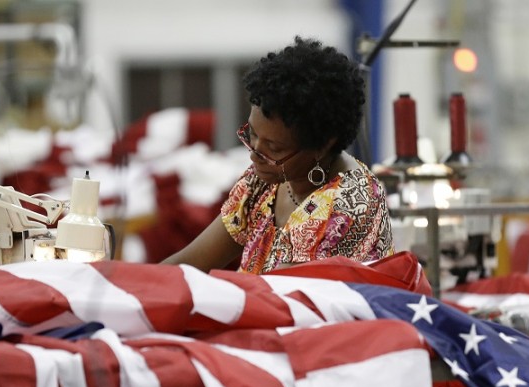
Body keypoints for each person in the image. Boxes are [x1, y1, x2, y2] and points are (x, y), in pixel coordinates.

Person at [162, 36, 394, 274]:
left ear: (322, 145)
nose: (254, 154)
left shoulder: (349, 205)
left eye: (274, 148)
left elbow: (279, 297)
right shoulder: (265, 181)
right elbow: (189, 263)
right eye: (252, 134)